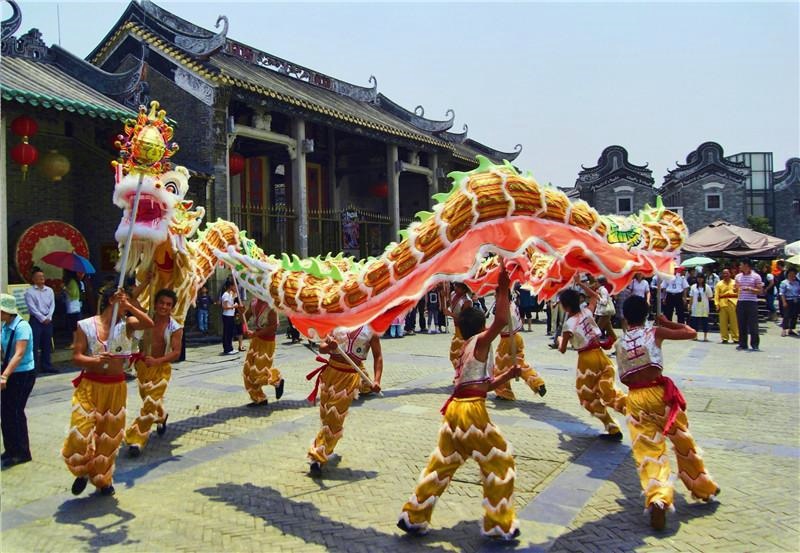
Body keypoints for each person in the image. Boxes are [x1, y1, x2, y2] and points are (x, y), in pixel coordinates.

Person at [398, 265, 521, 540]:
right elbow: (501, 320)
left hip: (456, 410)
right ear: (480, 328)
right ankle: (499, 523)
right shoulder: (479, 341)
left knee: (442, 464)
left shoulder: (467, 346)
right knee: (501, 460)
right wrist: (503, 288)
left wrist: (507, 375)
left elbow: (483, 384)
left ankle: (413, 515)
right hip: (470, 412)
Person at [616, 296, 719, 530]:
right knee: (683, 441)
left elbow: (623, 375)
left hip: (635, 398)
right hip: (660, 394)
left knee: (649, 451)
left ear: (625, 317)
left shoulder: (620, 343)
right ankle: (703, 487)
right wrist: (667, 322)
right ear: (647, 313)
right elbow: (691, 332)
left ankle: (659, 497)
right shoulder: (655, 332)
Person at [63, 287, 153, 496]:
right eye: (123, 299)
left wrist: (129, 306)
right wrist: (93, 360)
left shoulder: (127, 325)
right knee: (80, 433)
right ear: (112, 299)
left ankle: (103, 480)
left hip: (116, 387)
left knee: (109, 438)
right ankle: (83, 469)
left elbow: (149, 324)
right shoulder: (86, 325)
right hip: (89, 386)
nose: (127, 305)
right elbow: (76, 356)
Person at [306, 325, 382, 474]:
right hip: (330, 373)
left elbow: (378, 356)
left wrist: (377, 380)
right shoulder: (337, 324)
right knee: (325, 414)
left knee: (334, 416)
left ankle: (317, 454)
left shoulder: (371, 330)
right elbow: (321, 348)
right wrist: (329, 346)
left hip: (349, 378)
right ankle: (327, 449)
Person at [559, 285, 626, 440]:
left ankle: (612, 426)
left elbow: (562, 350)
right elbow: (595, 296)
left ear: (566, 307)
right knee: (607, 390)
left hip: (586, 361)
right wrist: (581, 284)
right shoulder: (587, 311)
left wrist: (560, 339)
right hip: (601, 356)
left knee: (586, 396)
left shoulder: (568, 325)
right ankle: (631, 412)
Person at [125, 288, 183, 457]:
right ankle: (161, 416)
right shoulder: (145, 319)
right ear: (155, 303)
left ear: (172, 307)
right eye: (161, 303)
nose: (164, 307)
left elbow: (176, 352)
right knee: (148, 399)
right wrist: (145, 280)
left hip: (161, 369)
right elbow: (132, 298)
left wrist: (157, 361)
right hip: (143, 367)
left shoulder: (175, 327)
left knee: (149, 403)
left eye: (168, 304)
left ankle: (136, 439)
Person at [1, 293, 36, 467]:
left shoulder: (22, 327)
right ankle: (10, 449)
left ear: (7, 311)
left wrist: (5, 375)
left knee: (15, 412)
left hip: (23, 374)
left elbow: (19, 353)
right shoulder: (5, 326)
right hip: (8, 371)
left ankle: (22, 452)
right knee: (5, 412)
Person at [493, 291, 546, 401]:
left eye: (496, 294)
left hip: (507, 339)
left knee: (501, 367)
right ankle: (537, 382)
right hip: (517, 337)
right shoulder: (512, 304)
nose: (494, 296)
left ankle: (504, 392)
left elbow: (499, 325)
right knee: (520, 364)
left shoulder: (505, 308)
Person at [242, 297, 284, 406]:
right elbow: (243, 320)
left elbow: (274, 327)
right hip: (256, 341)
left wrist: (255, 334)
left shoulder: (272, 306)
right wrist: (240, 314)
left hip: (267, 343)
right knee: (247, 371)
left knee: (257, 373)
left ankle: (276, 379)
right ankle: (259, 398)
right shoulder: (254, 302)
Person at [24, 268, 57, 374]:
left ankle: (46, 365)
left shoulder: (50, 290)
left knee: (47, 344)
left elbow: (52, 305)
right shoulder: (29, 292)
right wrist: (42, 318)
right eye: (39, 277)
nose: (42, 279)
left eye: (43, 277)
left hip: (48, 319)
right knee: (34, 344)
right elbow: (32, 308)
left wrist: (49, 317)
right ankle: (33, 368)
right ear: (33, 279)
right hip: (36, 320)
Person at [734, 260, 764, 352]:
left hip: (751, 302)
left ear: (746, 265)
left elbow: (760, 291)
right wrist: (735, 288)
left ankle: (755, 344)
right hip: (741, 301)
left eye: (741, 264)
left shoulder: (756, 276)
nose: (740, 266)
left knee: (753, 324)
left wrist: (750, 289)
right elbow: (735, 289)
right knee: (741, 323)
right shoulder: (738, 276)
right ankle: (742, 344)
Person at [445, 283, 473, 367]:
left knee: (459, 354)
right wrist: (443, 295)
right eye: (455, 286)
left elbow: (464, 318)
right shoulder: (453, 294)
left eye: (458, 287)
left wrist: (450, 314)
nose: (455, 288)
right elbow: (445, 306)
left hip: (464, 330)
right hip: (457, 329)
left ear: (464, 289)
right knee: (454, 355)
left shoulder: (467, 301)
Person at [713, 269, 739, 344]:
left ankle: (736, 338)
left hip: (733, 304)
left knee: (734, 322)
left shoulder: (735, 283)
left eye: (727, 273)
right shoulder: (719, 284)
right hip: (723, 304)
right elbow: (716, 295)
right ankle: (724, 338)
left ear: (730, 274)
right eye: (724, 273)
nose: (725, 275)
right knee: (723, 322)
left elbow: (739, 292)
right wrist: (717, 304)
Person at [63, 270, 84, 349]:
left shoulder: (72, 282)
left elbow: (73, 294)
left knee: (74, 326)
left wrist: (65, 289)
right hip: (72, 307)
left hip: (73, 307)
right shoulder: (74, 282)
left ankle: (75, 342)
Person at [688, 274, 713, 342]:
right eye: (698, 278)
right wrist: (689, 306)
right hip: (695, 306)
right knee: (695, 322)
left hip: (704, 307)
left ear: (703, 279)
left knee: (705, 322)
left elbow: (710, 296)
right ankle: (695, 336)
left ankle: (705, 337)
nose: (700, 279)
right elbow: (691, 298)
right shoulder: (693, 287)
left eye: (701, 278)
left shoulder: (707, 287)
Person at [779, 268, 800, 337]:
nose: (792, 275)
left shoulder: (797, 283)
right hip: (788, 300)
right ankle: (784, 329)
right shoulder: (784, 282)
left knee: (794, 315)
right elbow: (782, 293)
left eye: (794, 274)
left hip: (796, 300)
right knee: (786, 316)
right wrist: (784, 302)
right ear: (787, 274)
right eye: (790, 273)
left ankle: (791, 329)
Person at [220, 280, 238, 355]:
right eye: (234, 286)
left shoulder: (230, 294)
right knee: (227, 333)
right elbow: (224, 306)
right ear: (230, 286)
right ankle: (227, 349)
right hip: (227, 316)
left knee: (230, 332)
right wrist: (234, 306)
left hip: (230, 315)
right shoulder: (225, 295)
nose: (235, 287)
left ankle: (230, 347)